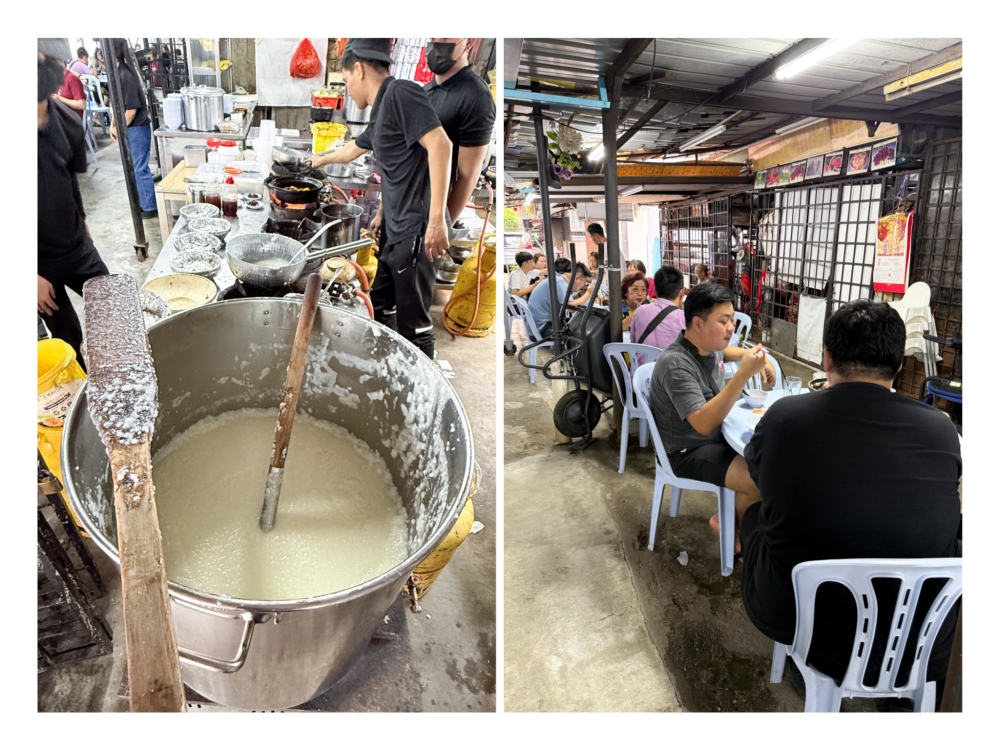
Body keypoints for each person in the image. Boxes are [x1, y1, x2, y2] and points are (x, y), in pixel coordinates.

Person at [741, 298, 962, 693]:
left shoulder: (785, 417)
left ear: (826, 359)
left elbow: (761, 478)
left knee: (755, 514)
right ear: (898, 366)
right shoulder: (941, 429)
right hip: (921, 635)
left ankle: (806, 661)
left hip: (807, 622)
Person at [306, 39, 451, 359]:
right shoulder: (381, 108)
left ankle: (421, 393)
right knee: (382, 305)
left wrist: (437, 220)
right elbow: (359, 152)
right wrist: (319, 161)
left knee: (415, 325)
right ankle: (383, 369)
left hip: (417, 230)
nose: (346, 90)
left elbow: (441, 145)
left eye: (345, 81)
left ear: (358, 69)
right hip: (395, 227)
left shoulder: (401, 93)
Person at [648, 282, 775, 549]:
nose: (731, 327)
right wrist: (742, 375)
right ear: (698, 323)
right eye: (724, 320)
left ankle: (731, 518)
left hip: (716, 439)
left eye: (732, 318)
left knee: (772, 457)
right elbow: (704, 424)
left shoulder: (709, 345)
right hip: (686, 451)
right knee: (767, 478)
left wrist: (759, 359)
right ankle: (735, 528)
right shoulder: (675, 363)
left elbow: (730, 352)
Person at [38, 53, 109, 367]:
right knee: (68, 340)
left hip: (77, 245)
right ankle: (83, 404)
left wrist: (82, 219)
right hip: (39, 263)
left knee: (113, 308)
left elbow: (69, 178)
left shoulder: (68, 120)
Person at [423, 38, 495, 227]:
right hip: (405, 216)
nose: (437, 42)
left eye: (445, 36)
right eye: (432, 37)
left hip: (431, 222)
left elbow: (467, 177)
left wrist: (440, 227)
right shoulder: (424, 93)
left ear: (469, 41)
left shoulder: (476, 97)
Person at [109, 39, 157, 220]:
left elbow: (130, 111)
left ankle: (149, 206)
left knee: (139, 168)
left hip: (137, 127)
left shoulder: (125, 75)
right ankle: (144, 202)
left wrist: (119, 128)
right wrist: (113, 125)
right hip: (131, 127)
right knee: (135, 168)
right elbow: (118, 105)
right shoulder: (117, 73)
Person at [527, 260, 594, 338]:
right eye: (585, 281)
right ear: (577, 278)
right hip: (542, 329)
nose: (584, 285)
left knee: (575, 322)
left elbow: (565, 300)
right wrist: (588, 293)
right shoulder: (559, 282)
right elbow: (571, 308)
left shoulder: (557, 278)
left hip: (537, 326)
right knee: (579, 330)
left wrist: (579, 295)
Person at [630, 265, 687, 349]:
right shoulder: (685, 318)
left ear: (655, 292)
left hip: (642, 362)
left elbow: (633, 343)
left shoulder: (639, 311)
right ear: (682, 293)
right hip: (671, 362)